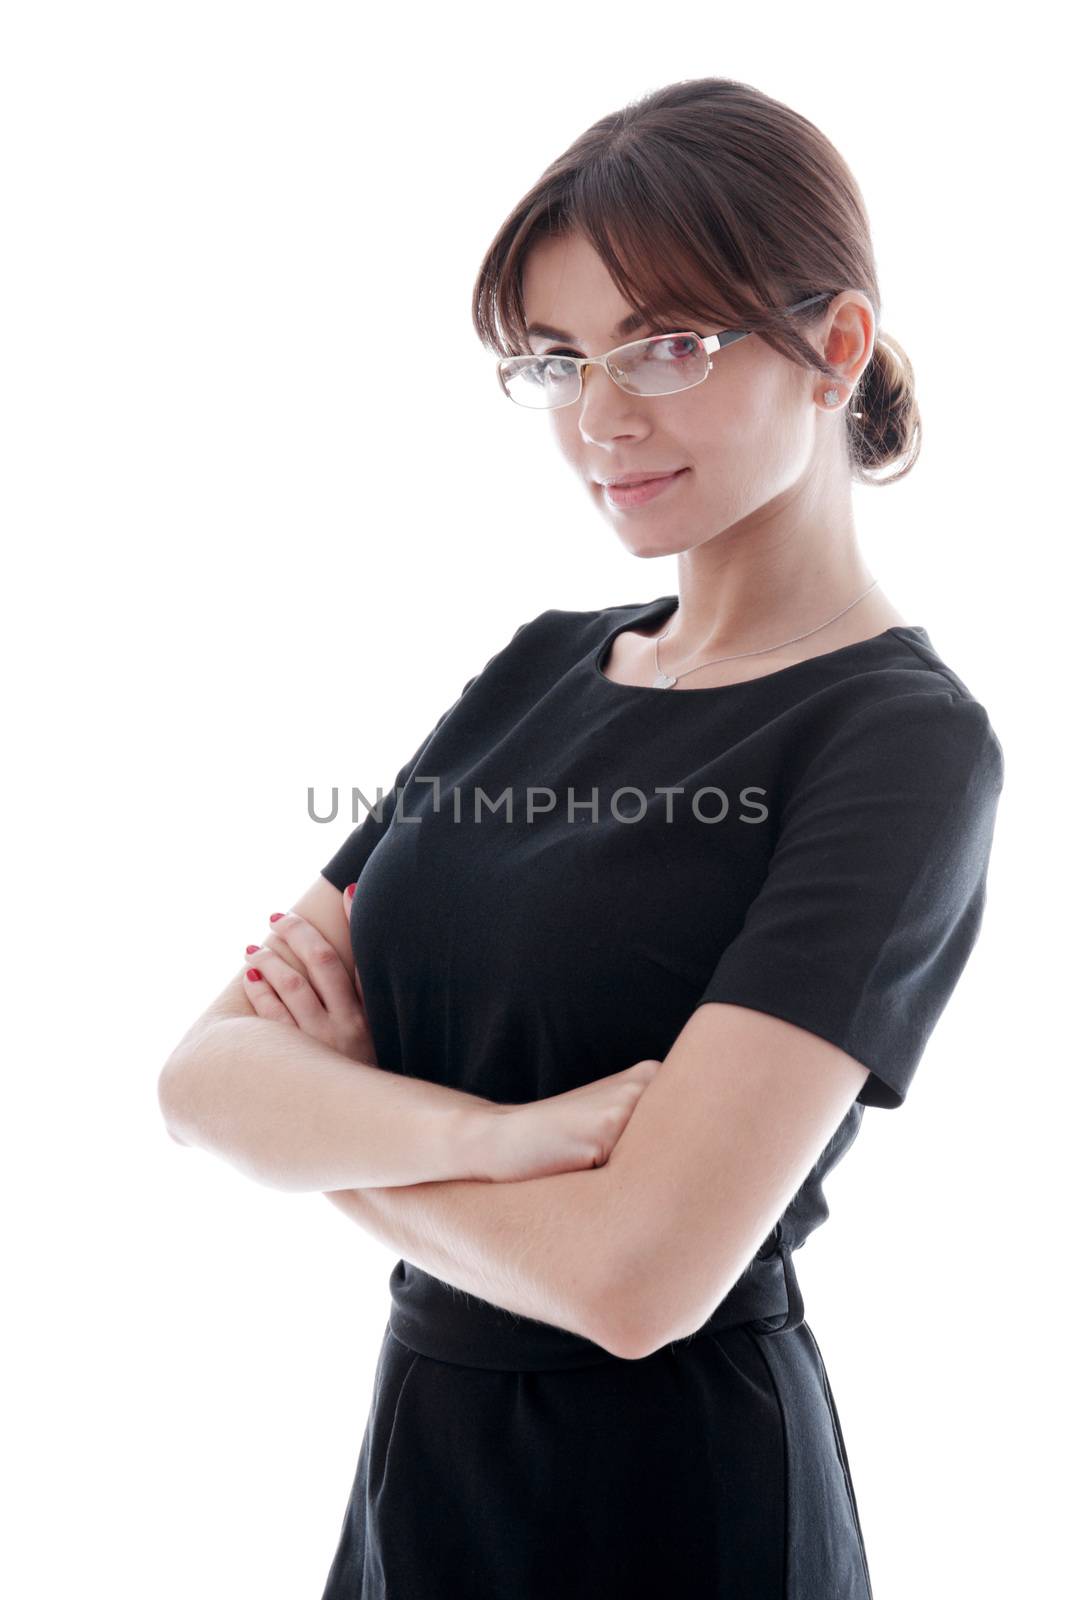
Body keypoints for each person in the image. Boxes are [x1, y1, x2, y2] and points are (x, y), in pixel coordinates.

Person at [158, 77, 1005, 1599]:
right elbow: (200, 1079)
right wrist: (482, 1142)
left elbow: (633, 1282)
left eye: (667, 345)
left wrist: (330, 1119)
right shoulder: (540, 664)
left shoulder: (899, 744)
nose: (601, 417)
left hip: (678, 1504)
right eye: (556, 361)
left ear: (835, 345)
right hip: (421, 1465)